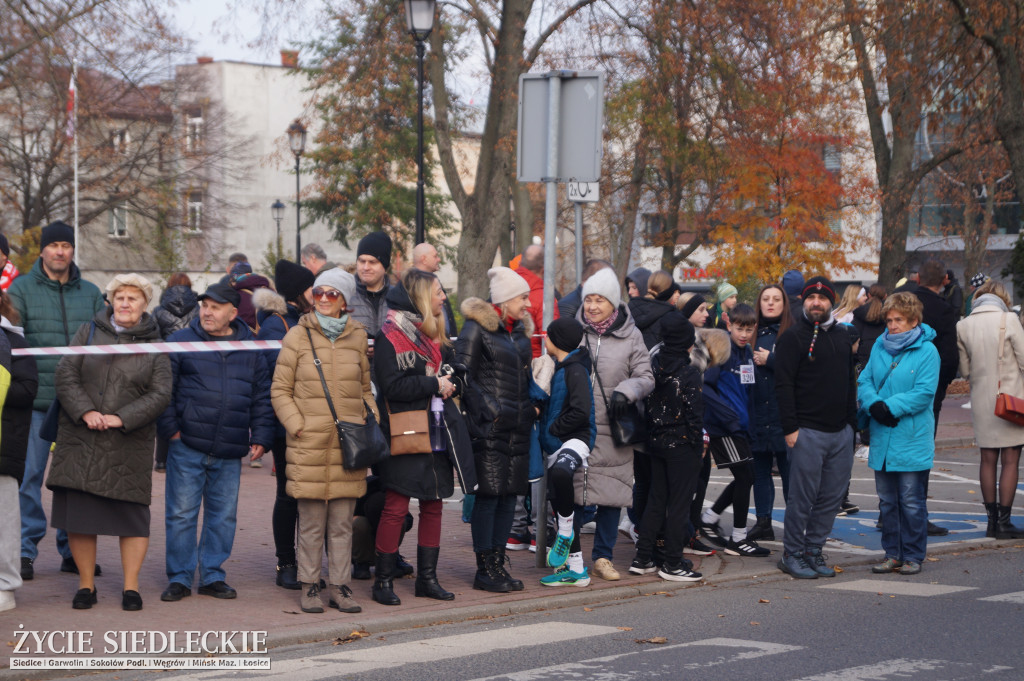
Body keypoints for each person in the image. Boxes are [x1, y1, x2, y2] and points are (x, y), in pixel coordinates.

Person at [47, 274, 172, 610]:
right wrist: (85, 410)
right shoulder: (87, 332)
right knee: (81, 517)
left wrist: (122, 417)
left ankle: (131, 588)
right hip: (82, 437)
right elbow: (65, 372)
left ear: (145, 305)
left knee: (131, 518)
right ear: (111, 301)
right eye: (120, 297)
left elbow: (161, 393)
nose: (125, 303)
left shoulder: (155, 345)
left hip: (128, 443)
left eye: (133, 298)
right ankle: (86, 585)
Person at [158, 282, 275, 602]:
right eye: (205, 306)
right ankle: (180, 576)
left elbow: (262, 395)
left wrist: (263, 436)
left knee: (222, 515)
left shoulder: (252, 346)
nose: (207, 312)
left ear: (233, 313)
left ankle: (211, 574)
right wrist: (172, 431)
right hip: (187, 444)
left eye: (215, 307)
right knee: (181, 514)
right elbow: (163, 390)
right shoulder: (181, 340)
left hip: (230, 445)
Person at [271, 267, 372, 614]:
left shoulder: (358, 336)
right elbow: (280, 390)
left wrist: (367, 420)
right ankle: (310, 585)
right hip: (309, 445)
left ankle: (341, 587)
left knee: (342, 523)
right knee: (312, 523)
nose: (325, 299)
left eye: (333, 294)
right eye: (319, 293)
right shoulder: (296, 337)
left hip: (348, 446)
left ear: (345, 300)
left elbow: (363, 389)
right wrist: (298, 425)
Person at [9, 220, 105, 581]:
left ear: (72, 251)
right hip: (35, 403)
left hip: (78, 405)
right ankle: (23, 551)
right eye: (54, 246)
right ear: (43, 251)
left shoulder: (93, 293)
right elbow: (14, 345)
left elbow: (103, 345)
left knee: (76, 481)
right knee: (28, 479)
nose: (60, 251)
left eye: (66, 245)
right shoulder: (21, 290)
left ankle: (73, 551)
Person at [372, 268, 474, 605]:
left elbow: (454, 371)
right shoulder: (390, 335)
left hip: (438, 429)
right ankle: (383, 581)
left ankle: (427, 579)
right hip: (404, 430)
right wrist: (434, 383)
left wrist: (453, 379)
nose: (444, 296)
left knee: (434, 504)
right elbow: (393, 386)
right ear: (420, 295)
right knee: (396, 505)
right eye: (438, 291)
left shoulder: (436, 332)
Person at [456, 267, 536, 592]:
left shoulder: (519, 334)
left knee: (509, 497)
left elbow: (524, 377)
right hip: (489, 428)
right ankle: (484, 569)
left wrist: (531, 405)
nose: (528, 304)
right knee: (489, 497)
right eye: (523, 297)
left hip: (518, 427)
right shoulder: (476, 329)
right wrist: (490, 411)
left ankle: (498, 563)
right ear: (504, 299)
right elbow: (463, 375)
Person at [774, 276, 857, 580]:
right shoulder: (792, 338)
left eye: (822, 299)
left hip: (840, 434)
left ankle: (813, 550)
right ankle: (792, 554)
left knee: (831, 498)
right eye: (811, 298)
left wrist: (852, 427)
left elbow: (850, 382)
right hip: (806, 431)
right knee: (802, 498)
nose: (817, 303)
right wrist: (790, 429)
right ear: (804, 301)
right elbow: (783, 385)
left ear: (830, 302)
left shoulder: (843, 337)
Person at [575, 267, 654, 581]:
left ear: (613, 303)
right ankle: (569, 555)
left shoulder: (631, 335)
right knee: (574, 493)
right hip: (578, 424)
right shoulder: (575, 330)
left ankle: (603, 558)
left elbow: (646, 377)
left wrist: (627, 391)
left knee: (612, 496)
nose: (593, 306)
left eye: (600, 300)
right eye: (589, 300)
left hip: (614, 425)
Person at [858, 292, 939, 576]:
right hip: (883, 435)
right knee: (888, 502)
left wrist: (888, 407)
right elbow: (865, 379)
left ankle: (914, 555)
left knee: (911, 502)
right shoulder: (880, 346)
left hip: (911, 436)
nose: (892, 325)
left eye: (899, 320)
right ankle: (892, 553)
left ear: (913, 320)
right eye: (889, 320)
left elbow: (924, 393)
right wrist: (873, 404)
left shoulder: (928, 351)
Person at [254, 259, 315, 590]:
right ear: (297, 293)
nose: (316, 293)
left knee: (309, 495)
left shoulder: (306, 320)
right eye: (310, 288)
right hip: (287, 424)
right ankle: (286, 562)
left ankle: (306, 559)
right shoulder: (276, 326)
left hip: (313, 422)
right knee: (288, 495)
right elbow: (279, 378)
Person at [630, 312, 704, 581]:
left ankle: (643, 556)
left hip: (655, 442)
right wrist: (697, 445)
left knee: (656, 500)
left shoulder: (652, 367)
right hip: (681, 445)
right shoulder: (689, 373)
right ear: (688, 343)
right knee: (680, 504)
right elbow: (694, 415)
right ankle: (673, 562)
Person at [698, 304, 770, 557]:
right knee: (746, 476)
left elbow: (747, 392)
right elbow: (706, 387)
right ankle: (737, 538)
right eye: (740, 328)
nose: (744, 334)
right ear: (729, 325)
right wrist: (728, 417)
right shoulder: (723, 350)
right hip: (722, 427)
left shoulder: (747, 354)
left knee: (746, 476)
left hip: (741, 426)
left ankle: (710, 519)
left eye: (749, 330)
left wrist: (750, 424)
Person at [956, 280, 1024, 539]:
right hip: (1011, 399)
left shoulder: (962, 325)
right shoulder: (1009, 319)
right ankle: (1005, 522)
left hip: (982, 399)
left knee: (987, 459)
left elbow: (965, 370)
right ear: (1002, 297)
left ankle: (991, 522)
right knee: (1010, 460)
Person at [531, 318, 596, 586]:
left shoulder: (576, 370)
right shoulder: (559, 368)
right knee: (559, 500)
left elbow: (581, 410)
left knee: (560, 474)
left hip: (576, 439)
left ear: (557, 341)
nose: (545, 339)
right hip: (557, 442)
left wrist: (555, 427)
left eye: (548, 336)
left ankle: (565, 532)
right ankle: (577, 570)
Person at [747, 285, 791, 543]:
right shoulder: (750, 332)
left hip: (783, 413)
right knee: (760, 471)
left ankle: (794, 523)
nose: (771, 304)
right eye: (765, 299)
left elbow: (801, 370)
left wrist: (772, 360)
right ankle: (763, 521)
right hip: (756, 412)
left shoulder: (792, 333)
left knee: (789, 471)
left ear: (784, 304)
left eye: (776, 299)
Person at [152, 272, 199, 472]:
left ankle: (161, 460)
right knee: (191, 409)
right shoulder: (199, 309)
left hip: (166, 363)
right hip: (194, 363)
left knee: (165, 409)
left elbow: (153, 337)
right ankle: (189, 455)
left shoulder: (158, 310)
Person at [0, 303, 19, 612]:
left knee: (4, 518)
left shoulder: (9, 339)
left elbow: (20, 388)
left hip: (4, 445)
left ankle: (5, 586)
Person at [515, 244, 559, 359]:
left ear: (520, 263)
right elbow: (553, 340)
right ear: (544, 269)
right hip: (535, 367)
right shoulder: (544, 297)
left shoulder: (505, 288)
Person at [351, 231, 393, 343]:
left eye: (372, 262)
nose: (366, 267)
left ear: (385, 265)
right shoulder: (343, 297)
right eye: (362, 261)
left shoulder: (398, 299)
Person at [412, 242, 457, 336]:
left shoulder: (434, 282)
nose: (439, 259)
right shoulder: (412, 287)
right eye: (435, 256)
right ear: (424, 259)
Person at [629, 270, 681, 350]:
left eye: (634, 287)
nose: (630, 292)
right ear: (669, 292)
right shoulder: (673, 317)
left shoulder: (627, 312)